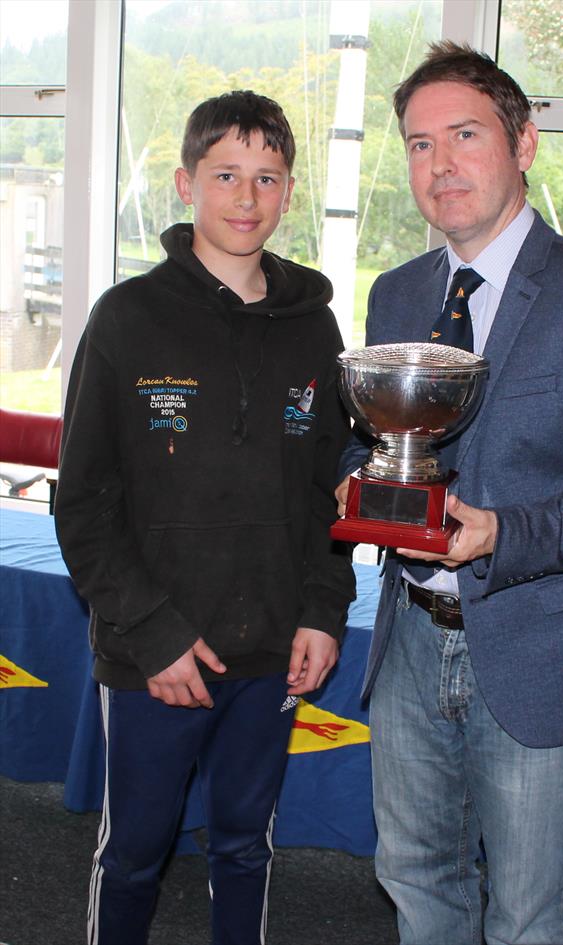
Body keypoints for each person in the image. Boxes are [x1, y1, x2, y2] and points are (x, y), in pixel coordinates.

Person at [337, 42, 563, 945]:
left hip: (545, 642)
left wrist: (500, 533)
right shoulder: (398, 293)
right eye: (417, 144)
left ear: (524, 142)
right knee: (415, 878)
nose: (439, 163)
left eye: (464, 134)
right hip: (410, 636)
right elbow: (379, 441)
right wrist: (353, 476)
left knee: (526, 913)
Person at [54, 90, 355, 945]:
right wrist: (151, 633)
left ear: (290, 192)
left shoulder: (316, 328)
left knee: (245, 845)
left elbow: (330, 495)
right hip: (155, 654)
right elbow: (82, 503)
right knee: (137, 849)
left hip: (272, 652)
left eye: (266, 177)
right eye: (226, 175)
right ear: (187, 185)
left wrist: (322, 612)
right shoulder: (126, 319)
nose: (246, 197)